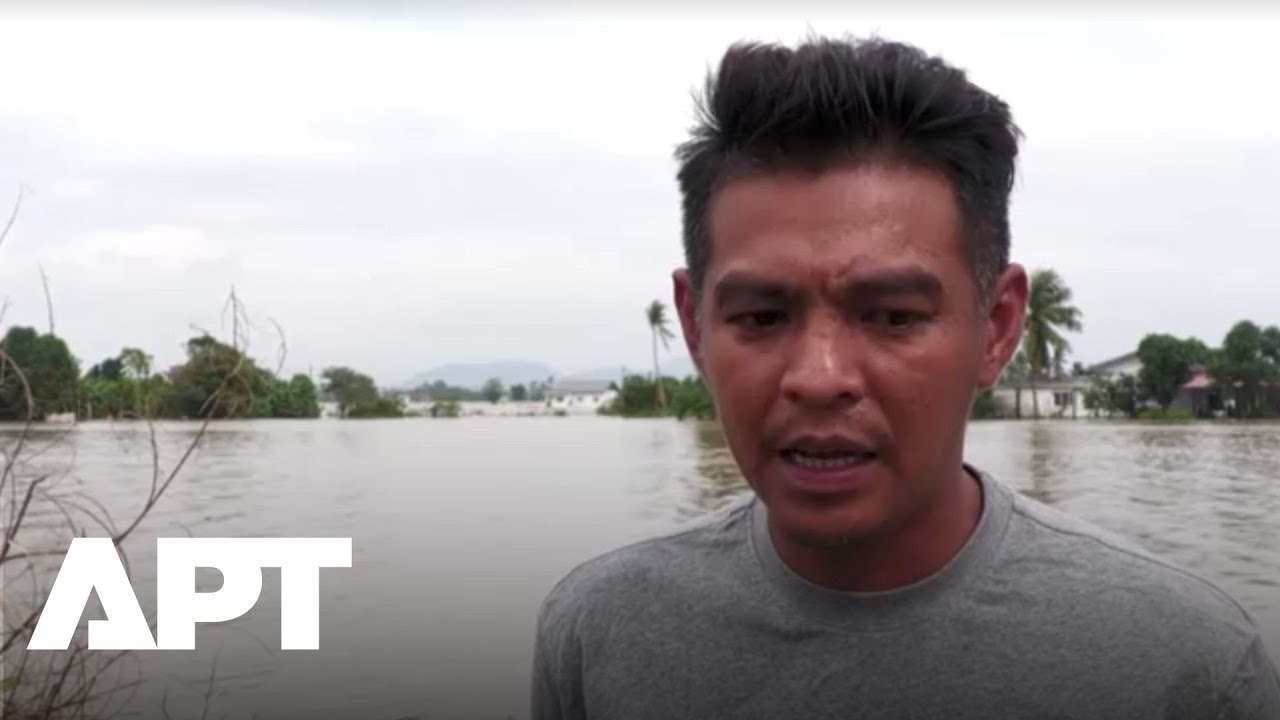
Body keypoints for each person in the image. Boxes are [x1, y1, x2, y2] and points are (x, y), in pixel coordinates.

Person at [531, 35, 1280, 719]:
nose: (819, 379)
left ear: (997, 327)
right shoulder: (601, 633)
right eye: (761, 317)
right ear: (694, 326)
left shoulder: (1185, 665)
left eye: (892, 316)